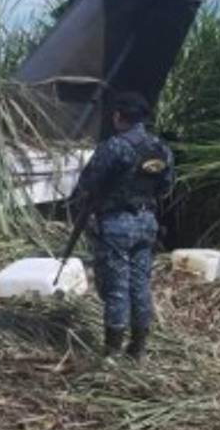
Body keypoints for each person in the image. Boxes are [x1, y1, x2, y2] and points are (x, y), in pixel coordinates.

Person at [71, 91, 174, 361]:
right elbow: (165, 186)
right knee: (140, 285)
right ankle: (138, 349)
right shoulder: (161, 148)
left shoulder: (115, 146)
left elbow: (87, 183)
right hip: (147, 224)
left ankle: (112, 353)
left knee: (116, 288)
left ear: (119, 116)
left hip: (116, 225)